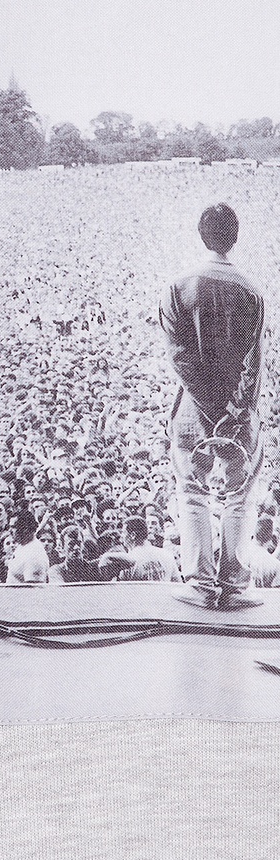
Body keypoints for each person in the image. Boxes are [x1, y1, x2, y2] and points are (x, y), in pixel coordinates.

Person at [159, 203, 264, 610]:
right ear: (234, 237)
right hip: (239, 411)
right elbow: (254, 362)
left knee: (192, 489)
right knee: (240, 493)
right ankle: (235, 587)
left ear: (202, 237)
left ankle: (199, 584)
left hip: (191, 409)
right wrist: (234, 413)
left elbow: (180, 356)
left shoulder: (178, 286)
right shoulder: (251, 290)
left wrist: (206, 405)